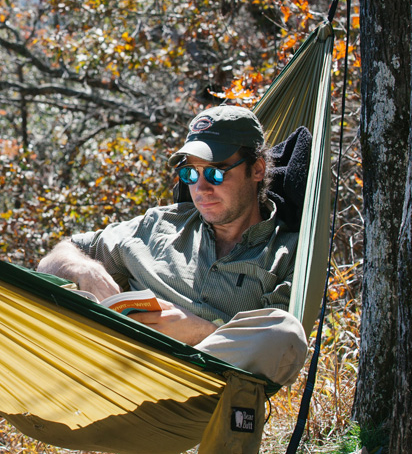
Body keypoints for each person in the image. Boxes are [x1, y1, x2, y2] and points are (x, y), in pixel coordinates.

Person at [37, 105, 308, 386]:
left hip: (202, 389)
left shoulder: (287, 252)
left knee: (283, 334)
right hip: (112, 371)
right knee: (48, 293)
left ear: (257, 169)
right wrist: (86, 271)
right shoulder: (159, 224)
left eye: (216, 173)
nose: (201, 189)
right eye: (190, 174)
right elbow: (54, 258)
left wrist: (200, 334)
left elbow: (279, 350)